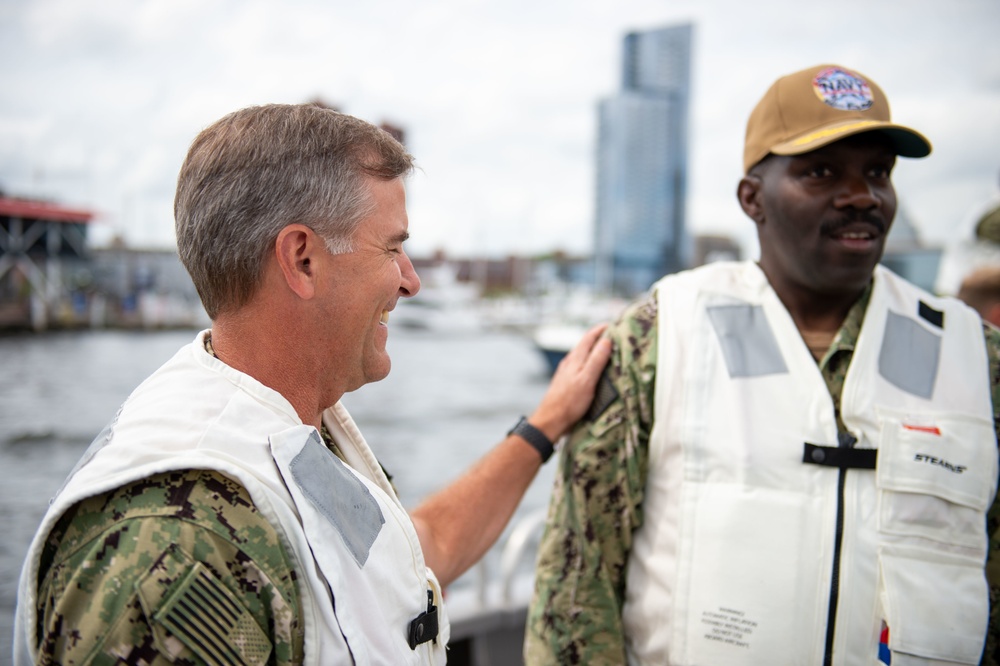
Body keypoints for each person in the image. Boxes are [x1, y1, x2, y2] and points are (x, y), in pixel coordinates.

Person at [13, 103, 612, 665]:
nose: (411, 281)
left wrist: (545, 424)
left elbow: (415, 549)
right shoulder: (173, 543)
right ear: (302, 259)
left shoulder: (285, 432)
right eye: (393, 248)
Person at [526, 64, 1000, 666]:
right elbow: (577, 584)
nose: (862, 195)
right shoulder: (662, 333)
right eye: (821, 172)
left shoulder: (974, 358)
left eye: (878, 172)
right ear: (753, 198)